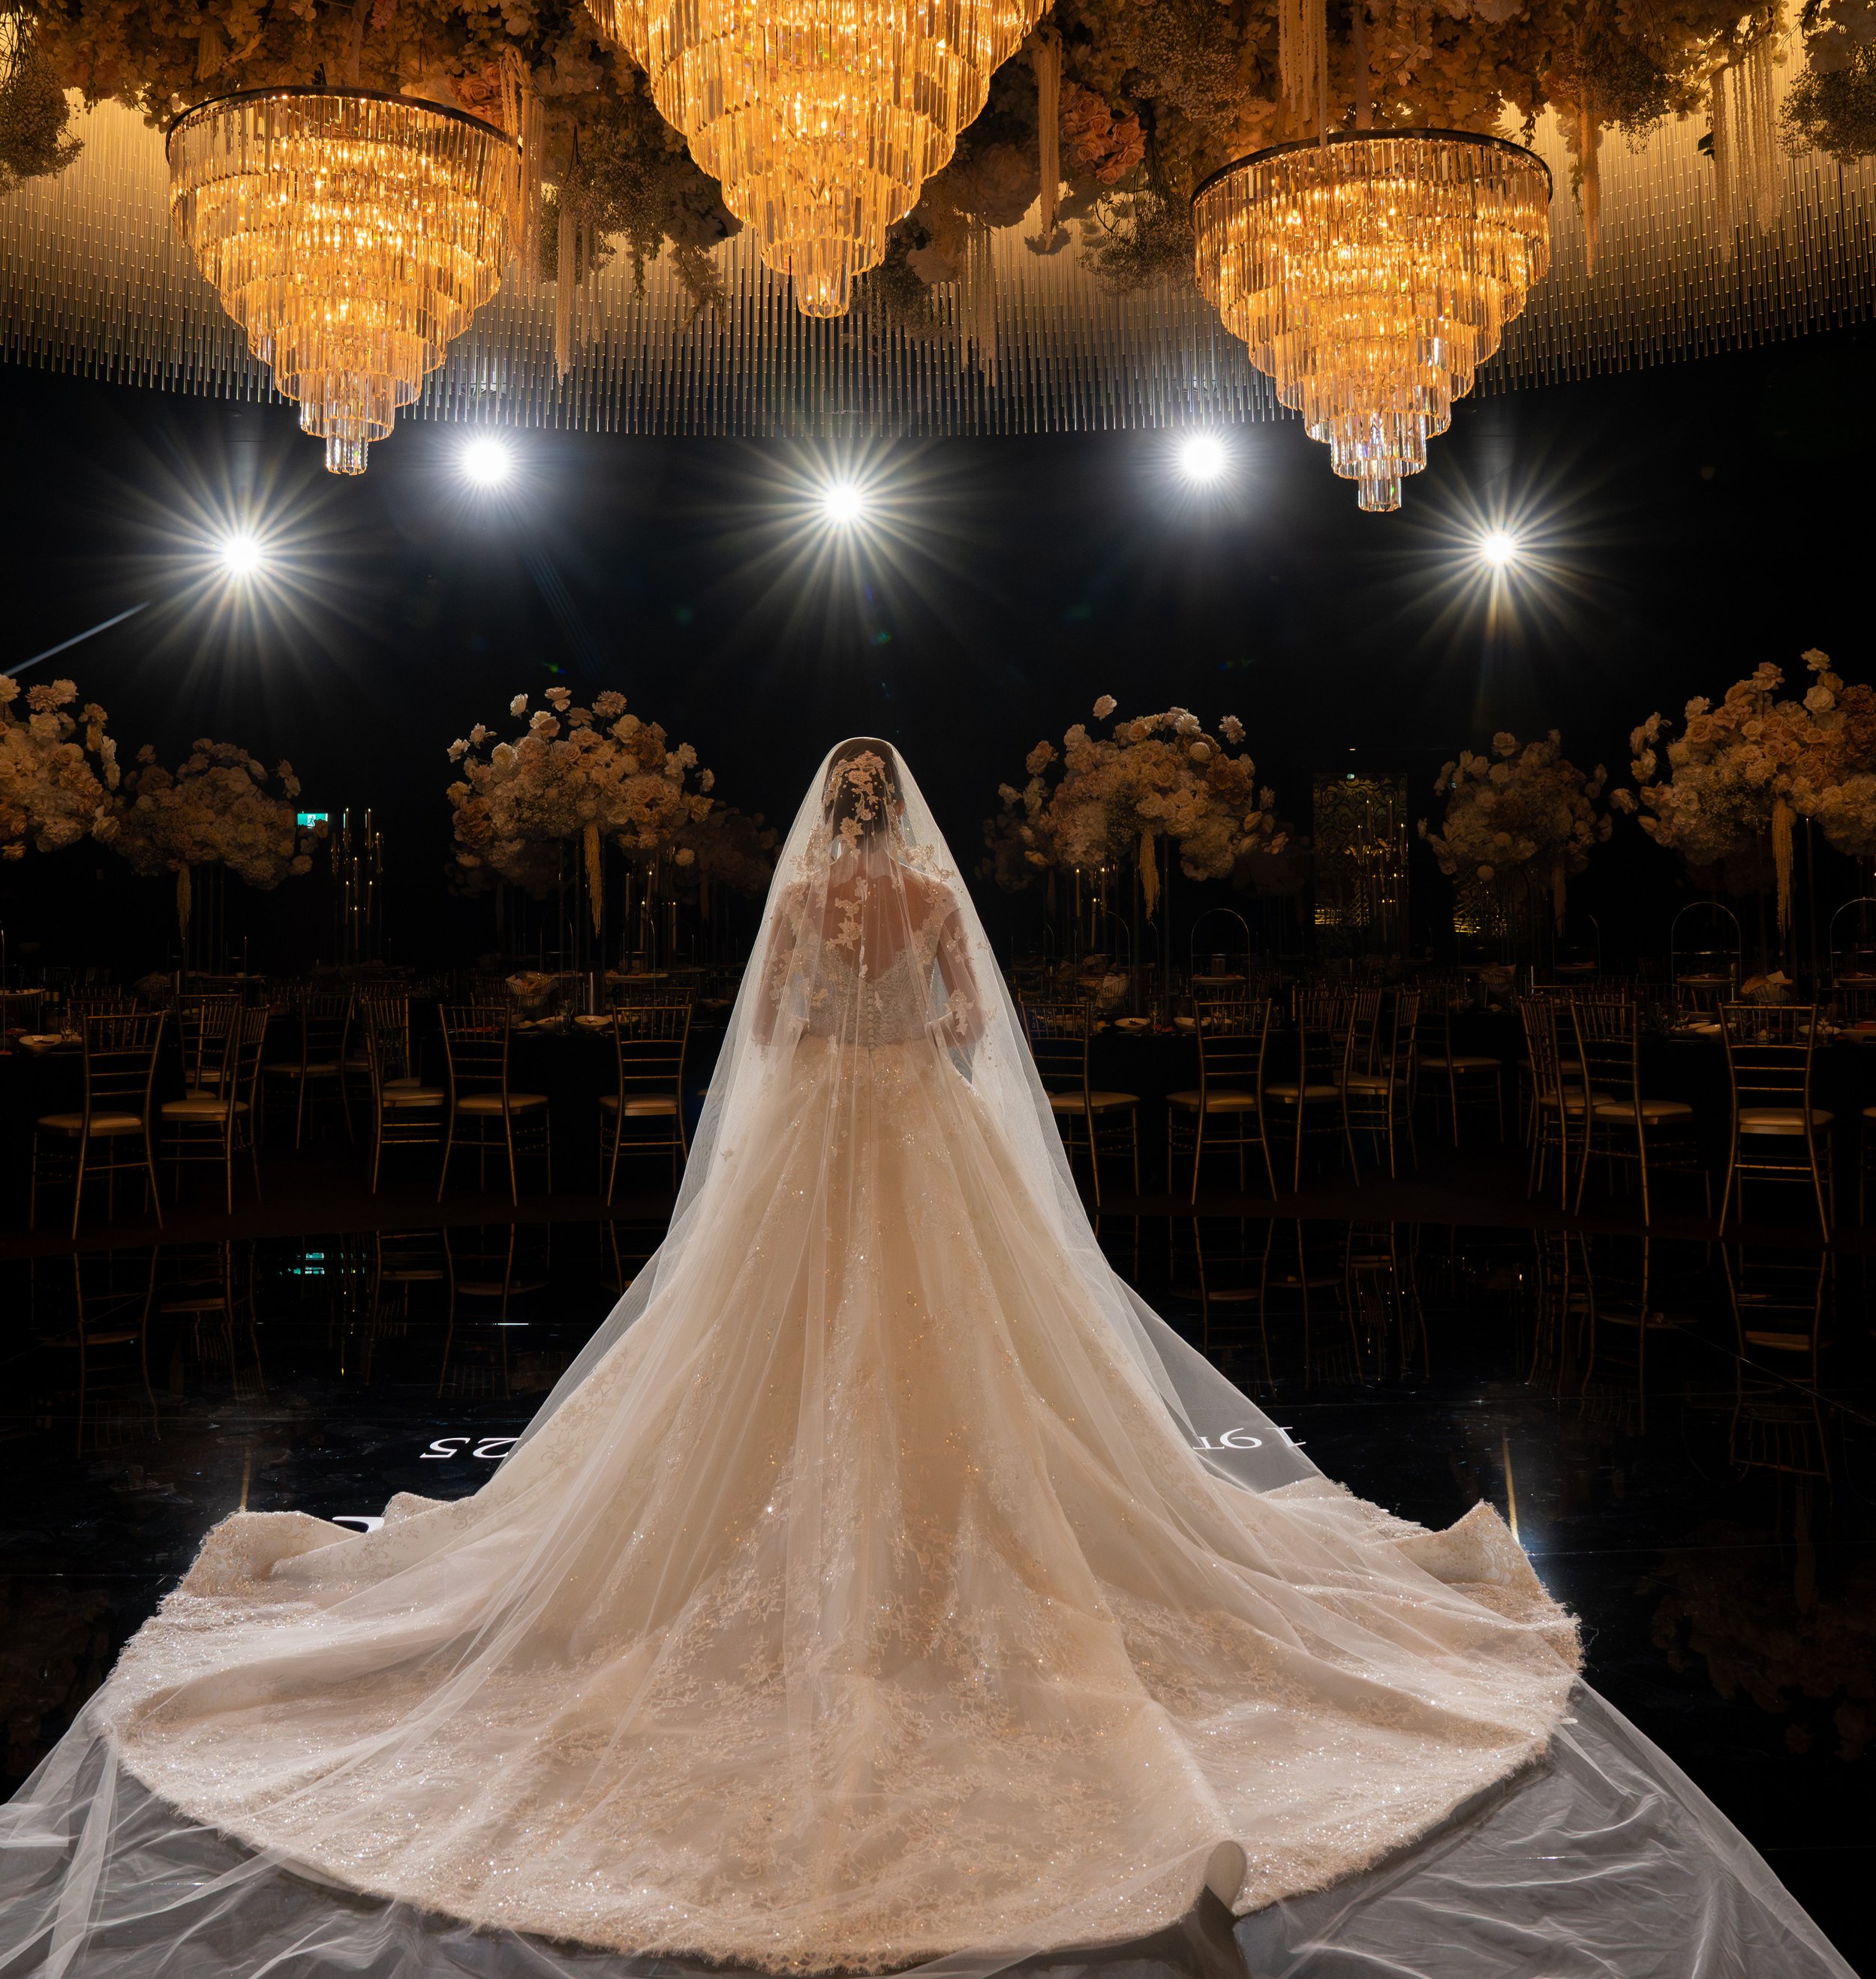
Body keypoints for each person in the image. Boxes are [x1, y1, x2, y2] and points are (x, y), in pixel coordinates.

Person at [0, 741, 1852, 1979]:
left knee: (766, 1367)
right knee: (979, 1376)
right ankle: (948, 1545)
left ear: (829, 830)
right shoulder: (931, 910)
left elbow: (783, 1034)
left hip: (816, 1151)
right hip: (921, 1145)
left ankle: (824, 1552)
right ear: (910, 831)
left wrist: (834, 1035)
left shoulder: (808, 912)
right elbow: (963, 1028)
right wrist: (906, 1033)